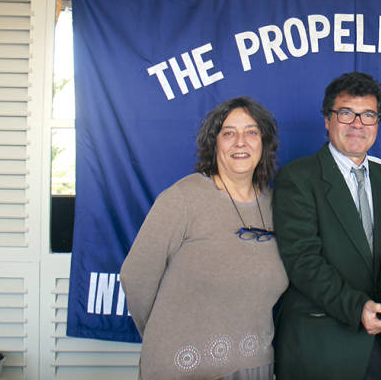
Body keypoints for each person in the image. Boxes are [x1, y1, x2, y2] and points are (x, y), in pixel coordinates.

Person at [120, 97, 288, 380]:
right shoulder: (182, 199)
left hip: (256, 368)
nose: (240, 142)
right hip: (183, 370)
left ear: (264, 143)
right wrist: (163, 336)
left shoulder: (277, 206)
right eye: (228, 133)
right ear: (215, 143)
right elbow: (136, 277)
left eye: (251, 132)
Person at [272, 72, 381, 380]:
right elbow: (303, 261)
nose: (358, 124)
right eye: (346, 113)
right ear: (328, 120)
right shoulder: (297, 178)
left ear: (377, 122)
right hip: (322, 347)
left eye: (368, 115)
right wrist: (357, 307)